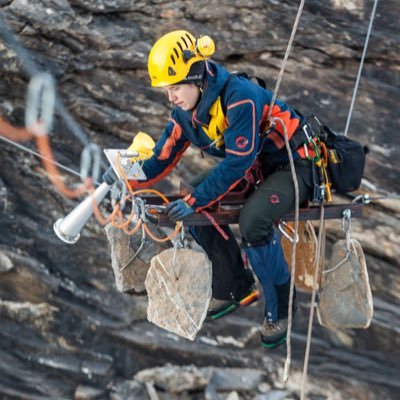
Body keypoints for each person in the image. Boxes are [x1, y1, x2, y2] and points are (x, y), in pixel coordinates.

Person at [103, 30, 315, 348]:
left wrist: (194, 200)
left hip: (294, 166)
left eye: (175, 87)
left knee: (253, 222)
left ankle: (281, 306)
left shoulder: (239, 97)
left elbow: (237, 163)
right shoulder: (185, 114)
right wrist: (124, 176)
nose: (171, 96)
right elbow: (161, 158)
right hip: (259, 171)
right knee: (196, 201)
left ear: (197, 78)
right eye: (166, 90)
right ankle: (235, 286)